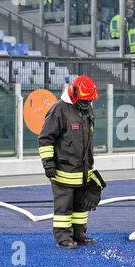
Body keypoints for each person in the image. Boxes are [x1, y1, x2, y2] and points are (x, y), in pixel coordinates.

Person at [38, 76, 106, 249]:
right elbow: (45, 138)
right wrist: (49, 163)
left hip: (83, 171)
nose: (87, 103)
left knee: (81, 207)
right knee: (64, 208)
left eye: (89, 100)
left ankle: (79, 233)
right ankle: (63, 238)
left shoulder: (87, 109)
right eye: (84, 100)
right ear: (74, 94)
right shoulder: (59, 110)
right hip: (63, 171)